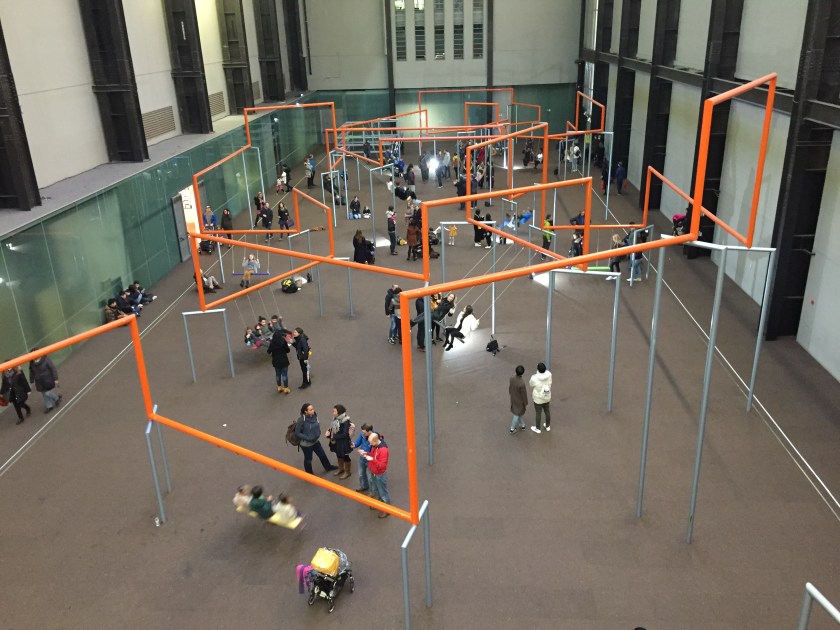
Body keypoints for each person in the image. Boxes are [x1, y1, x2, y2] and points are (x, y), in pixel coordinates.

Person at [294, 403, 338, 474]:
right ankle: (309, 474)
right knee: (308, 459)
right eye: (310, 410)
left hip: (315, 441)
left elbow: (316, 425)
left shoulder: (314, 416)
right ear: (306, 411)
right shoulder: (301, 420)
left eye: (313, 409)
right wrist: (308, 438)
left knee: (322, 455)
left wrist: (318, 432)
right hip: (306, 444)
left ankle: (328, 467)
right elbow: (297, 433)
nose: (313, 411)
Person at [359, 432, 390, 517]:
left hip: (379, 474)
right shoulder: (374, 446)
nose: (369, 444)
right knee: (377, 490)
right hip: (373, 472)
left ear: (375, 441)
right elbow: (372, 455)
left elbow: (382, 465)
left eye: (370, 442)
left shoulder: (383, 450)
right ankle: (380, 502)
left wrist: (372, 459)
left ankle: (387, 510)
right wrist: (366, 454)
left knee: (383, 492)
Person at [325, 404, 353, 480]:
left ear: (339, 412)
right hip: (338, 442)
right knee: (338, 454)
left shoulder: (345, 421)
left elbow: (344, 434)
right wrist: (329, 433)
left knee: (345, 456)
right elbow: (333, 428)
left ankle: (347, 472)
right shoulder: (335, 418)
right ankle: (341, 469)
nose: (333, 412)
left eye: (334, 411)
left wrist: (333, 436)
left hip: (344, 443)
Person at [529, 362, 552, 434]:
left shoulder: (534, 378)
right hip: (547, 396)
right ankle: (548, 426)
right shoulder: (549, 374)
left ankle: (537, 428)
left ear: (538, 369)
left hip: (538, 398)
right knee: (547, 411)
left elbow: (531, 385)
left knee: (538, 413)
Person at [267, 327, 291, 393]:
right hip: (284, 360)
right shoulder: (283, 342)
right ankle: (286, 388)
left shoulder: (272, 343)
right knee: (284, 375)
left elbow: (268, 351)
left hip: (276, 361)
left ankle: (279, 387)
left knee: (278, 374)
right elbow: (288, 350)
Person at [352, 423, 374, 494]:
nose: (362, 434)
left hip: (370, 460)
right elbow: (359, 441)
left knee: (371, 478)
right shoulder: (363, 434)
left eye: (364, 433)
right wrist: (354, 444)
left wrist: (366, 453)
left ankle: (372, 492)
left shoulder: (374, 438)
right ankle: (364, 486)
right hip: (362, 457)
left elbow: (374, 452)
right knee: (361, 474)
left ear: (369, 431)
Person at [509, 365, 528, 433]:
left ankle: (522, 425)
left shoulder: (511, 378)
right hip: (520, 401)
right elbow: (524, 394)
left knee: (518, 412)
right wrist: (525, 402)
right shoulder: (522, 383)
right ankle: (512, 428)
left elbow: (510, 387)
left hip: (513, 398)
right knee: (517, 414)